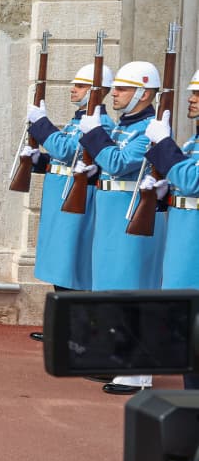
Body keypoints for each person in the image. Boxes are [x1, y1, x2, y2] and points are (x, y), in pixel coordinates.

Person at [78, 59, 164, 396]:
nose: (114, 93)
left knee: (132, 289)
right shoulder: (121, 127)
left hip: (132, 217)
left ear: (144, 94)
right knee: (110, 288)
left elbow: (118, 162)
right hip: (111, 215)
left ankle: (138, 371)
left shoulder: (149, 130)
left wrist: (94, 134)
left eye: (124, 89)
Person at [23, 63, 113, 341]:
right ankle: (63, 326)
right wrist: (40, 160)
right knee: (60, 264)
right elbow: (63, 158)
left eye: (82, 85)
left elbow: (67, 150)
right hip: (59, 198)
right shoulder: (78, 121)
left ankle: (75, 329)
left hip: (76, 201)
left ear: (99, 91)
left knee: (71, 265)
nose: (73, 89)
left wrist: (42, 124)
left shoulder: (100, 124)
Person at [138, 68, 199, 390]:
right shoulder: (193, 141)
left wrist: (163, 143)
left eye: (198, 94)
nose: (191, 99)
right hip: (185, 247)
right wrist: (164, 192)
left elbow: (192, 180)